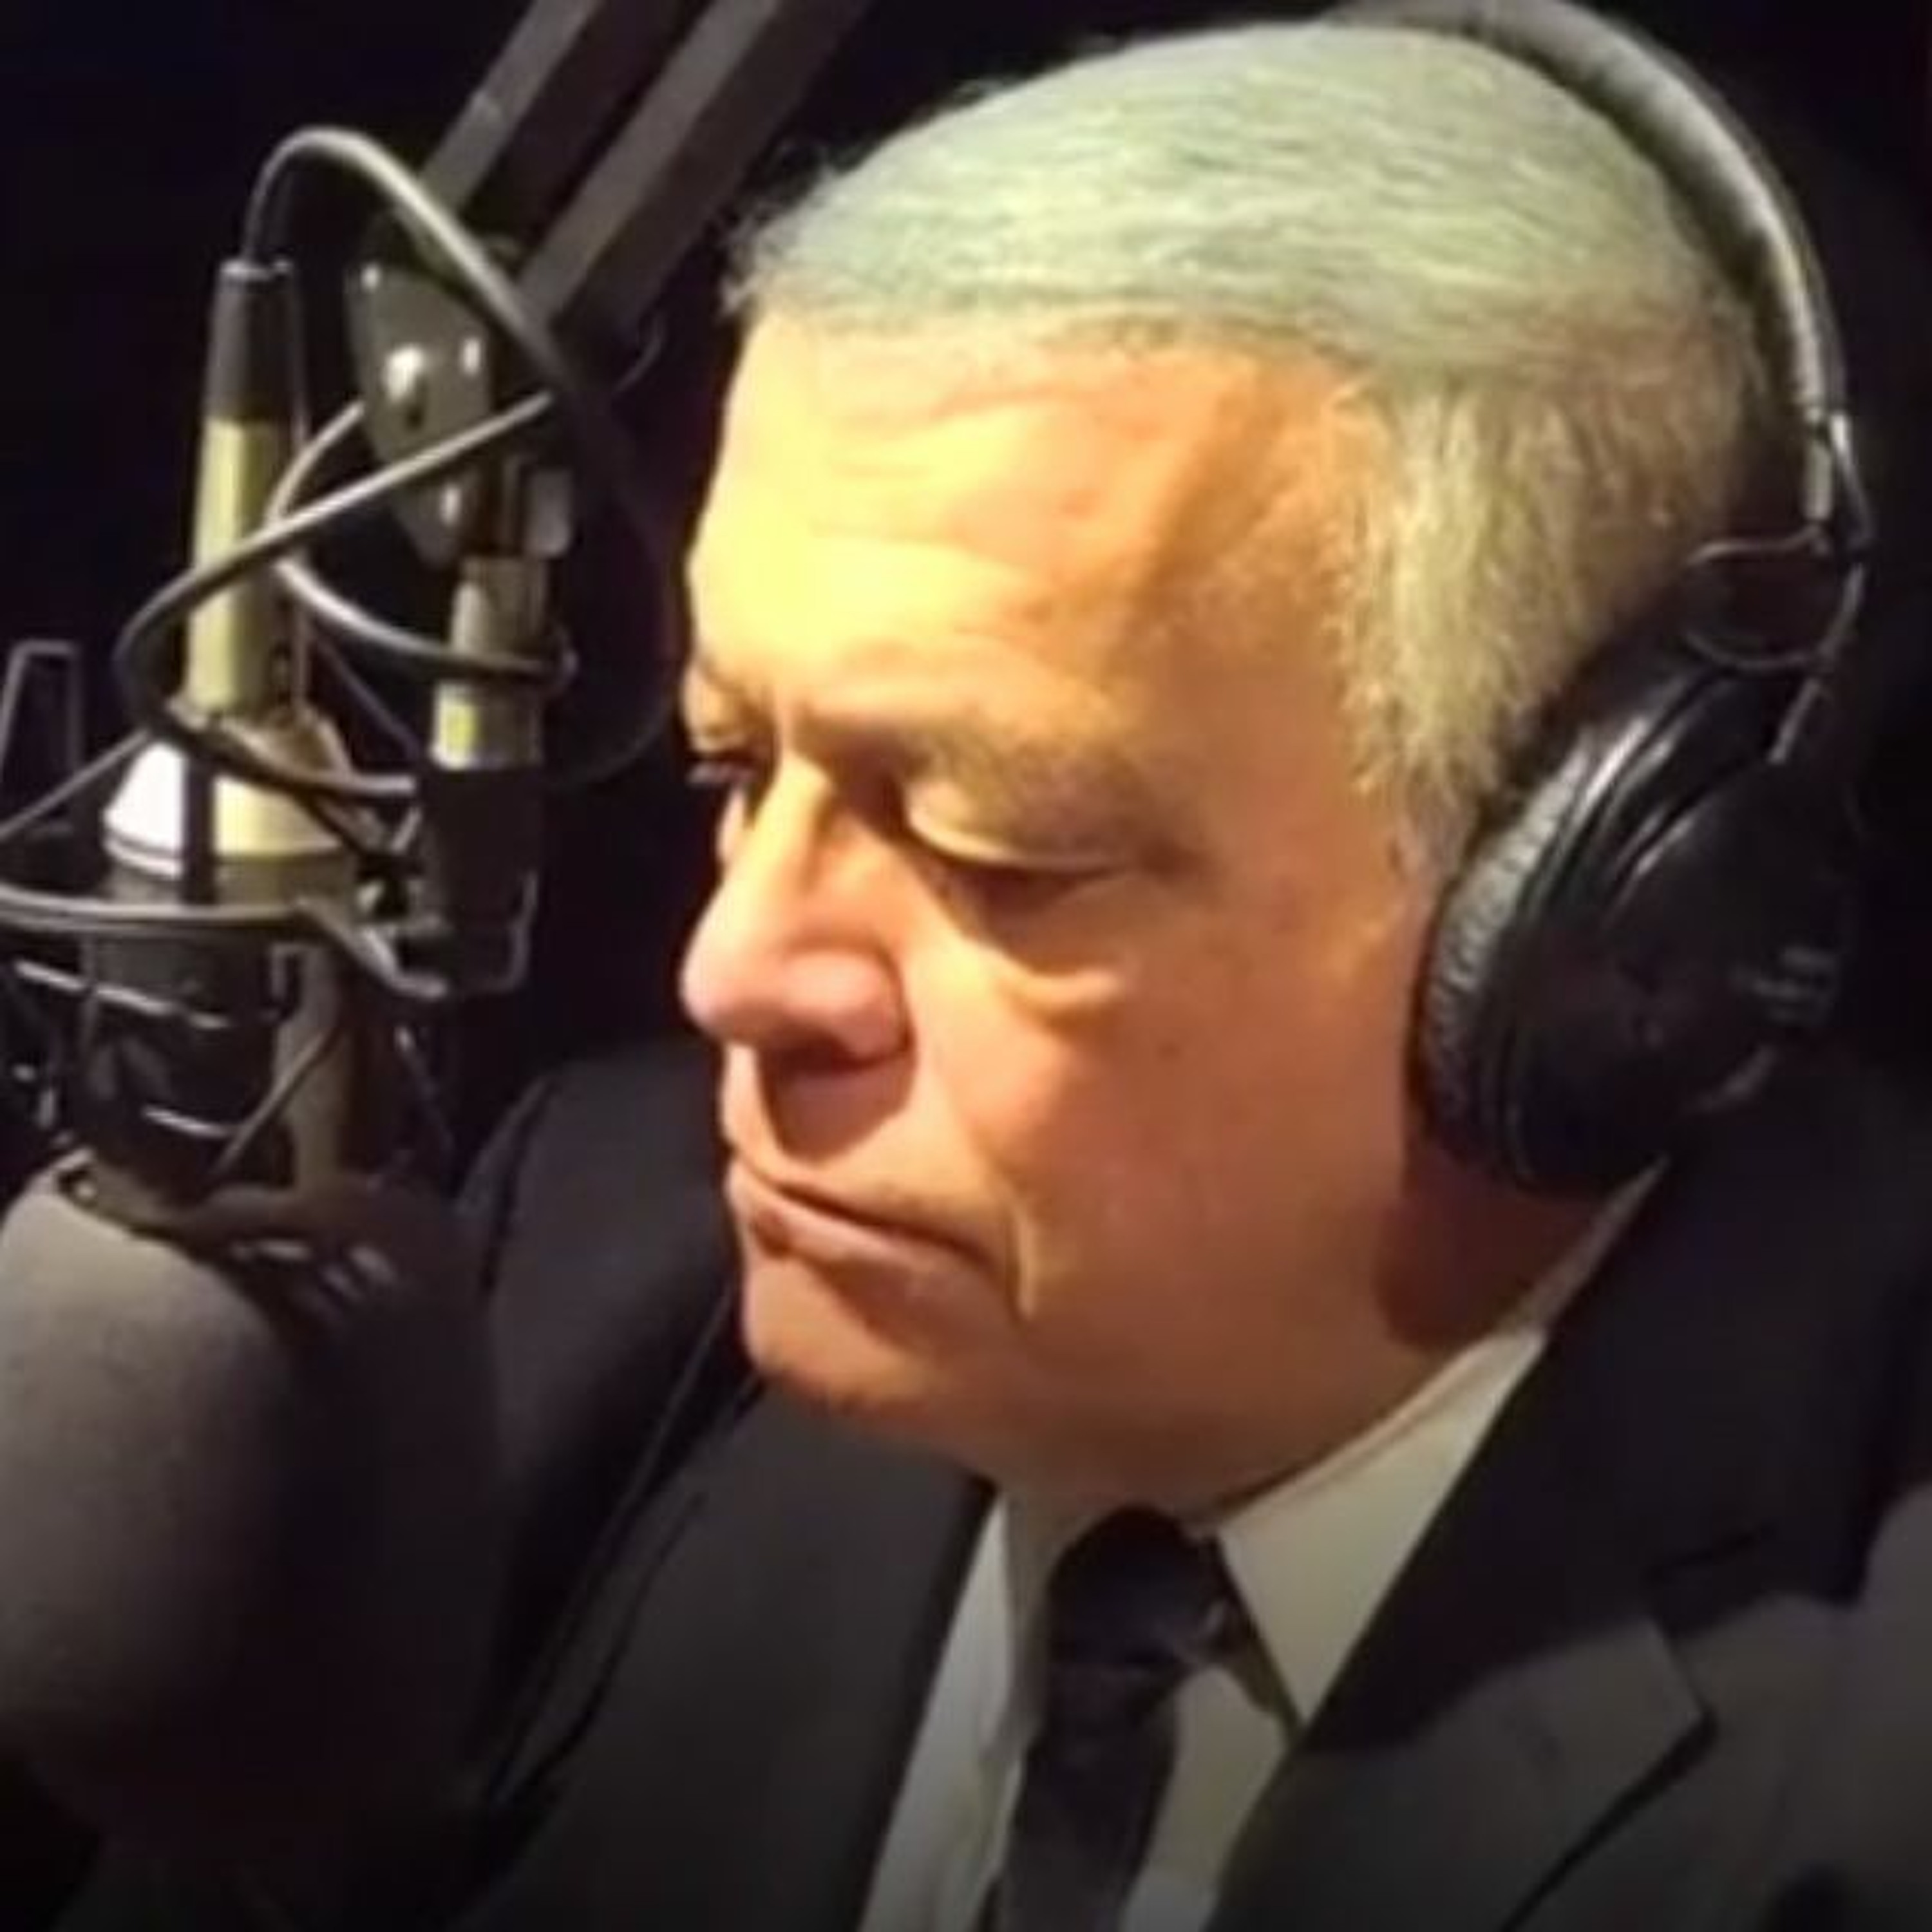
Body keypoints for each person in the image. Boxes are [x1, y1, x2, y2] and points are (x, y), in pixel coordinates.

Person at [47, 3, 1932, 1929]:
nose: (733, 970)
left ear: (1600, 930)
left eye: (995, 846)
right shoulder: (569, 1296)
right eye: (733, 768)